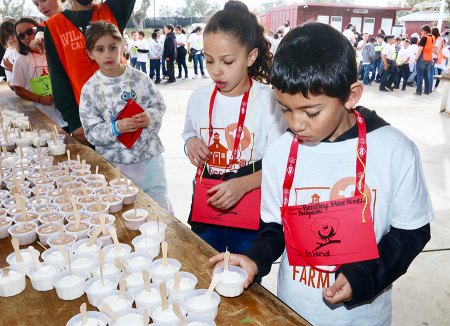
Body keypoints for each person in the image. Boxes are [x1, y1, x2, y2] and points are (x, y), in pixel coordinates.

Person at [210, 22, 433, 325]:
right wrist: (255, 259)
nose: (296, 124)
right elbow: (276, 227)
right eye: (285, 109)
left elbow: (411, 233)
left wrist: (364, 276)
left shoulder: (395, 150)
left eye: (311, 112)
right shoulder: (279, 153)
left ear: (351, 95)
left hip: (363, 316)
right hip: (294, 307)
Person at [182, 1, 286, 253]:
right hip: (208, 202)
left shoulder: (268, 101)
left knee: (244, 274)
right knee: (205, 264)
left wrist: (243, 184)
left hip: (250, 207)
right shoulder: (199, 98)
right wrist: (190, 143)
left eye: (227, 62)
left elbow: (281, 165)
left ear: (250, 56)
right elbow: (188, 133)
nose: (216, 71)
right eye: (208, 61)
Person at [79, 21, 172, 212]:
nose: (108, 54)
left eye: (113, 47)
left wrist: (149, 116)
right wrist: (116, 128)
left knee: (159, 211)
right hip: (115, 165)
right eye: (100, 49)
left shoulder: (140, 78)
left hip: (149, 161)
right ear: (90, 54)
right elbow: (91, 132)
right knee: (124, 214)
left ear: (122, 46)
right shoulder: (90, 89)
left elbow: (159, 105)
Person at [44, 0, 136, 144]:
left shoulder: (112, 10)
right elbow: (58, 79)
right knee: (101, 166)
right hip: (90, 120)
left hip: (127, 112)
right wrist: (74, 123)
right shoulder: (54, 26)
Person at [10, 17, 67, 128]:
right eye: (21, 36)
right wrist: (40, 99)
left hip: (66, 111)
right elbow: (18, 88)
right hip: (44, 115)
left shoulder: (56, 50)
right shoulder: (21, 59)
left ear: (38, 29)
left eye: (30, 31)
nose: (26, 37)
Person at [414, 25, 434, 96]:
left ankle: (418, 91)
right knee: (426, 75)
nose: (421, 32)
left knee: (420, 75)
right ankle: (426, 91)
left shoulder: (424, 38)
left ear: (425, 31)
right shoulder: (433, 38)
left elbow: (420, 49)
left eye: (422, 31)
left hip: (422, 57)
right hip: (429, 58)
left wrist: (415, 58)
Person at [0, 19, 18, 85]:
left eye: (13, 33)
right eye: (6, 37)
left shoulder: (30, 48)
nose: (11, 38)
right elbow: (10, 83)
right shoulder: (8, 54)